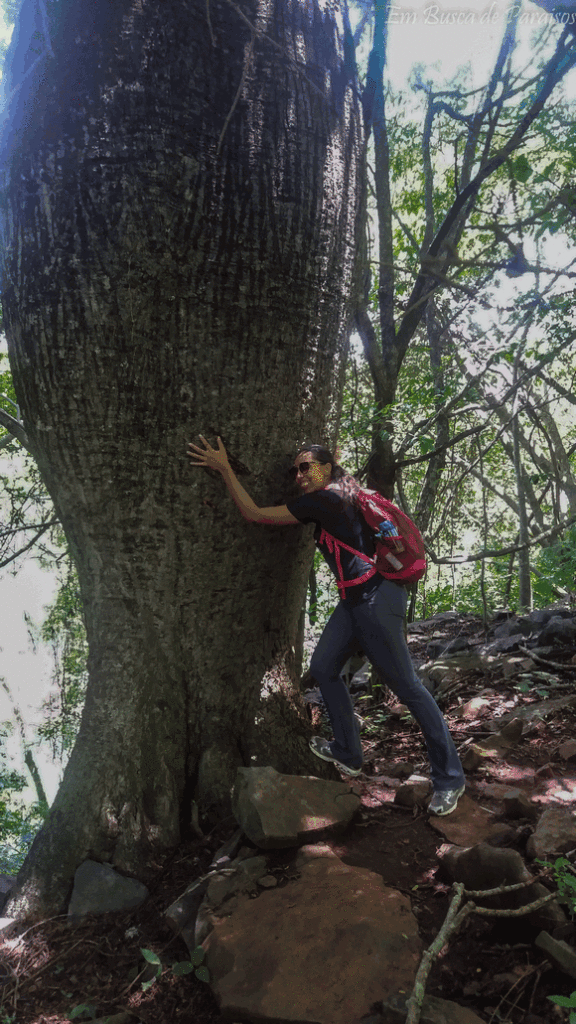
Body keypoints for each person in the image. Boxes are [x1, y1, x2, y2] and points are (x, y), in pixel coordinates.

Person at [187, 435, 465, 816]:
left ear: (328, 467)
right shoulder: (336, 496)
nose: (299, 475)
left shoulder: (328, 498)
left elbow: (254, 513)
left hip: (376, 599)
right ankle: (349, 752)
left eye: (306, 467)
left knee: (408, 687)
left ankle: (450, 779)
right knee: (323, 668)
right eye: (295, 470)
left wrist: (225, 470)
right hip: (354, 601)